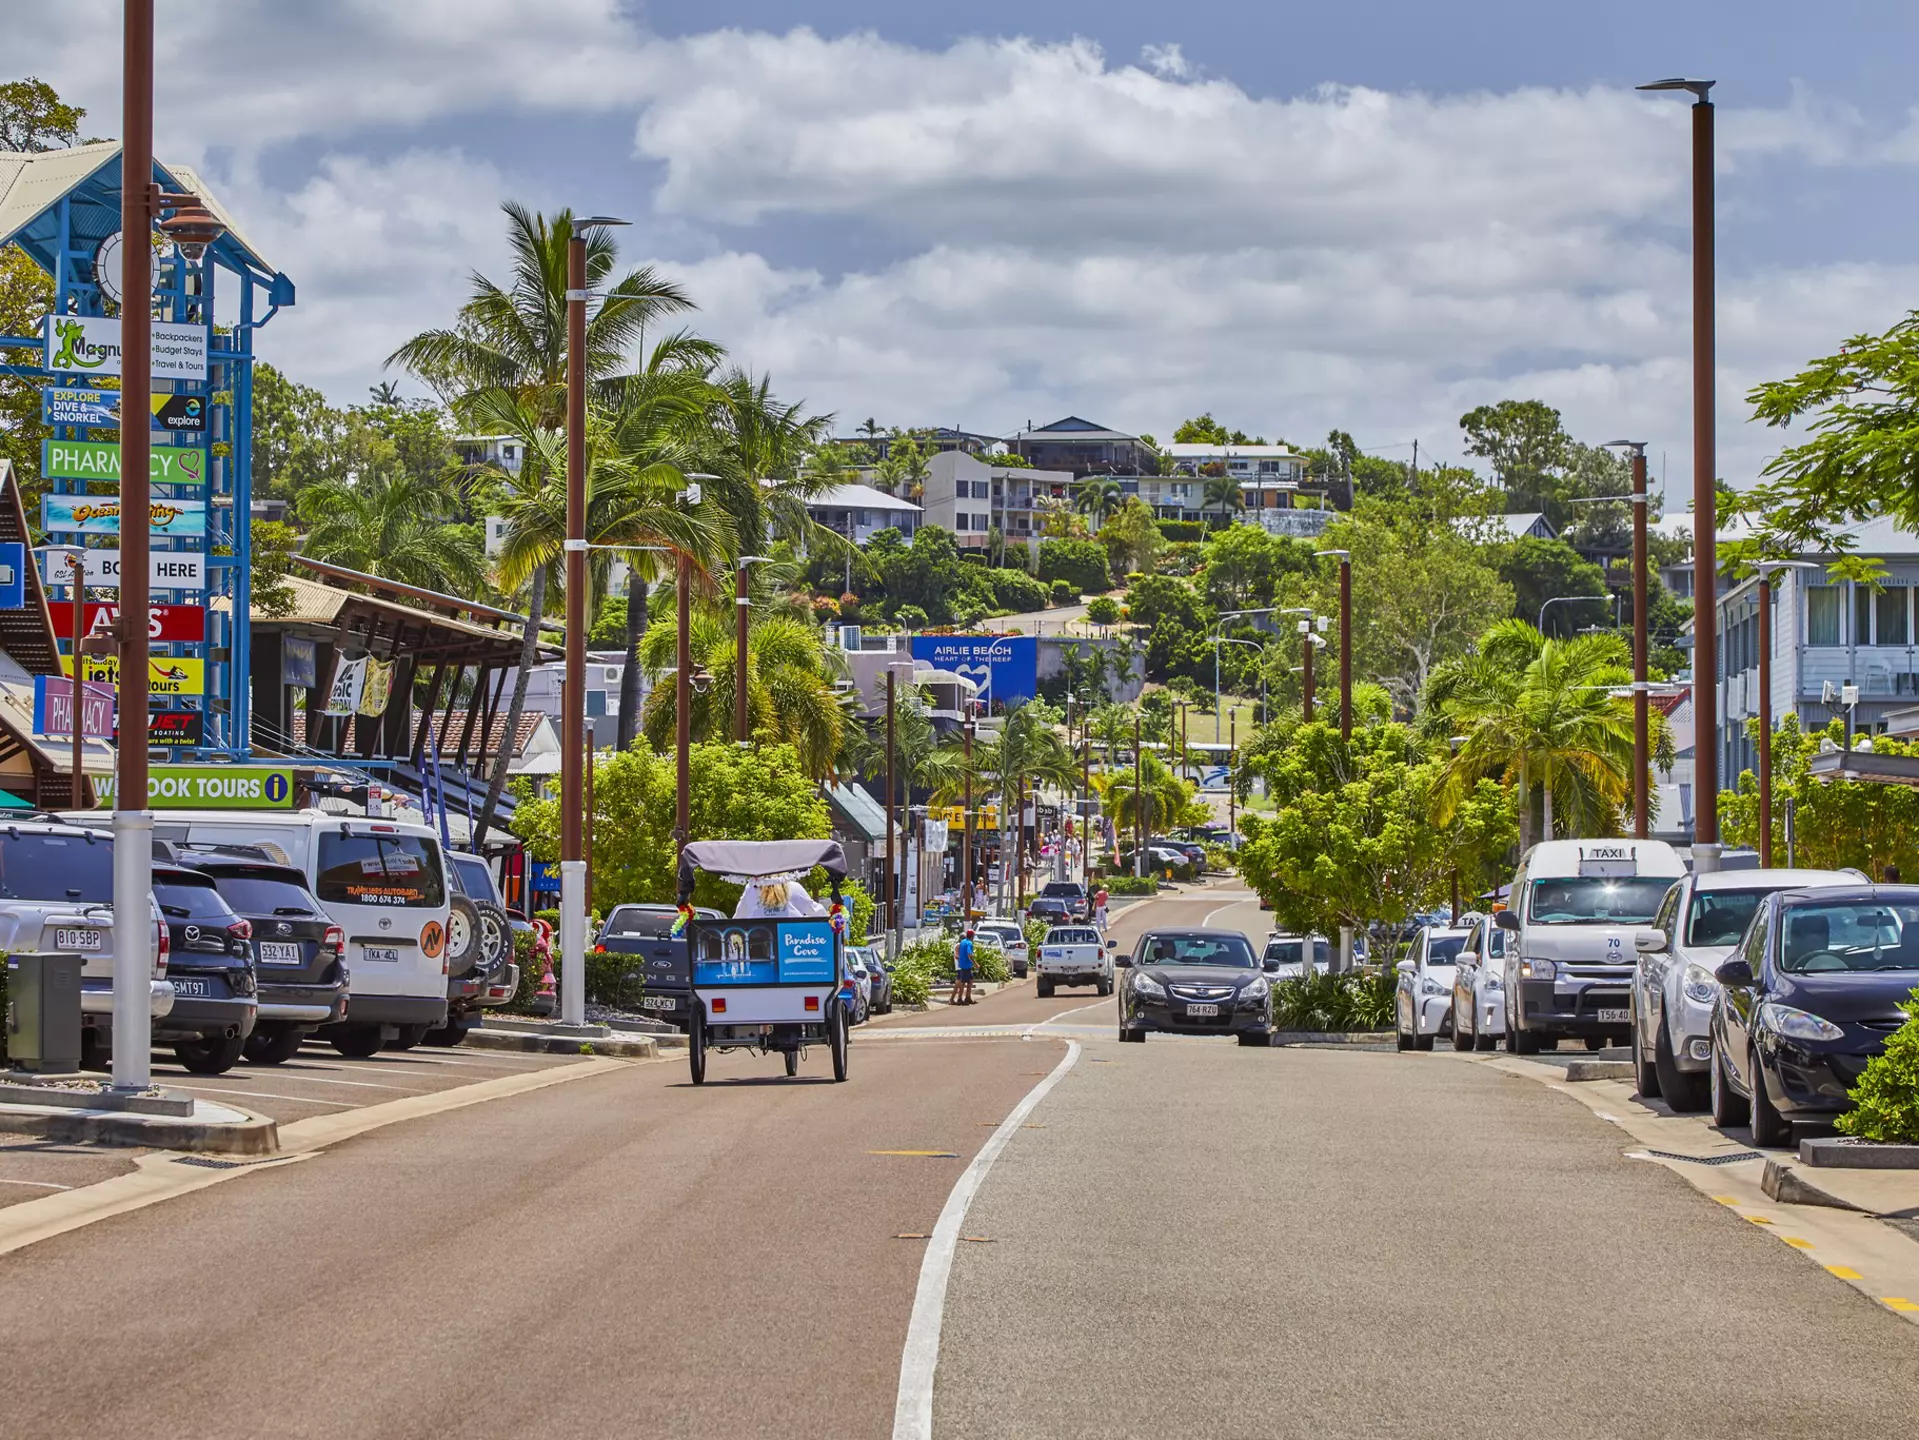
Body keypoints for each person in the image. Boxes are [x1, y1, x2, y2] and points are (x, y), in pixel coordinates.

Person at [734, 879, 827, 919]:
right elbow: (818, 912)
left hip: (758, 949)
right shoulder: (795, 888)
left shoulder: (751, 889)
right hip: (792, 945)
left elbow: (738, 918)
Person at [953, 928, 977, 1005]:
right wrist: (976, 964)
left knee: (970, 980)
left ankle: (968, 997)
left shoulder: (963, 942)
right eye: (973, 936)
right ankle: (960, 999)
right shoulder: (969, 943)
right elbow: (969, 955)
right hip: (966, 966)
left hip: (963, 964)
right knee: (963, 983)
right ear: (972, 936)